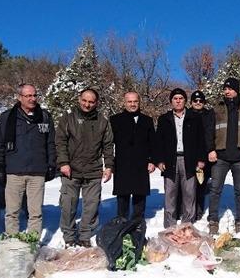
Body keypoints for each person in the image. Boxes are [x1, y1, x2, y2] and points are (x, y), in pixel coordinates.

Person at [0, 83, 56, 236]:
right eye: (28, 96)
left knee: (35, 213)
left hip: (37, 172)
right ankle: (12, 241)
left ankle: (33, 243)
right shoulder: (7, 117)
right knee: (12, 212)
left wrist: (51, 164)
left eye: (34, 95)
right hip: (14, 171)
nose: (32, 99)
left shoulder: (45, 116)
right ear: (20, 97)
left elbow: (50, 143)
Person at [55, 88, 114, 247]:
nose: (87, 104)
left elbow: (108, 145)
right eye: (85, 100)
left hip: (93, 171)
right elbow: (60, 142)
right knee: (68, 205)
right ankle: (69, 235)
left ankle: (85, 235)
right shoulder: (68, 119)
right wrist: (63, 162)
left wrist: (108, 166)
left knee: (91, 206)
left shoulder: (102, 121)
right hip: (71, 171)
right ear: (79, 99)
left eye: (91, 102)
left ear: (96, 103)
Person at [206, 77, 240, 234]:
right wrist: (211, 149)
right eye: (225, 89)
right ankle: (213, 220)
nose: (226, 91)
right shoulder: (216, 109)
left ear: (237, 90)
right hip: (220, 157)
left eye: (229, 88)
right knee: (215, 189)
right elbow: (209, 131)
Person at [155, 88, 206, 227]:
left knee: (190, 193)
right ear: (171, 101)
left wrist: (201, 159)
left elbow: (201, 140)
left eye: (181, 98)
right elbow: (158, 141)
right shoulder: (164, 119)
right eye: (175, 99)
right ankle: (170, 225)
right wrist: (159, 160)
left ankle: (187, 224)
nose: (178, 101)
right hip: (170, 160)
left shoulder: (194, 118)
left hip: (189, 160)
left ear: (185, 100)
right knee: (170, 194)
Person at [110, 92, 155, 221]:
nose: (133, 104)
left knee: (140, 196)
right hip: (122, 164)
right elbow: (108, 143)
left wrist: (152, 160)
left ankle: (137, 224)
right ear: (125, 103)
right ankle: (122, 223)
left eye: (135, 101)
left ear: (139, 102)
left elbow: (153, 142)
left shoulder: (147, 120)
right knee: (122, 196)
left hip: (141, 164)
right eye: (130, 102)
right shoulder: (115, 120)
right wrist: (109, 163)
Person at [189, 90, 213, 218]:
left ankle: (198, 210)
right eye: (195, 101)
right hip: (189, 155)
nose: (198, 103)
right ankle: (186, 210)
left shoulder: (209, 115)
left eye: (201, 101)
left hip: (204, 155)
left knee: (201, 184)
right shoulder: (186, 114)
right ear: (191, 102)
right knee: (187, 186)